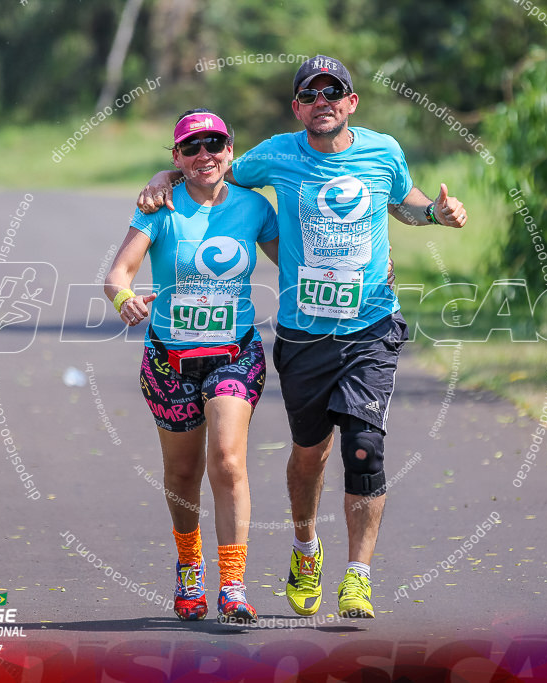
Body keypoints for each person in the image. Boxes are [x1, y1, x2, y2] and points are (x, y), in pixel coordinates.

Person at [137, 55, 468, 619]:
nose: (323, 101)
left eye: (333, 91)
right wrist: (164, 176)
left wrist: (434, 212)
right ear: (297, 107)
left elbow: (405, 203)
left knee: (365, 448)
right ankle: (305, 547)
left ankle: (359, 575)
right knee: (309, 457)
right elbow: (212, 170)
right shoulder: (274, 155)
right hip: (304, 336)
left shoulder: (383, 151)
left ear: (351, 102)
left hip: (371, 326)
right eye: (310, 94)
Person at [106, 109, 279, 623]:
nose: (205, 154)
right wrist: (125, 301)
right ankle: (188, 568)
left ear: (230, 149)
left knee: (227, 459)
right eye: (192, 147)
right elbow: (118, 273)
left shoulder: (254, 207)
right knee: (182, 472)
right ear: (176, 157)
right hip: (169, 359)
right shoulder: (159, 207)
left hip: (235, 354)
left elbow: (292, 262)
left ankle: (233, 584)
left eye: (215, 144)